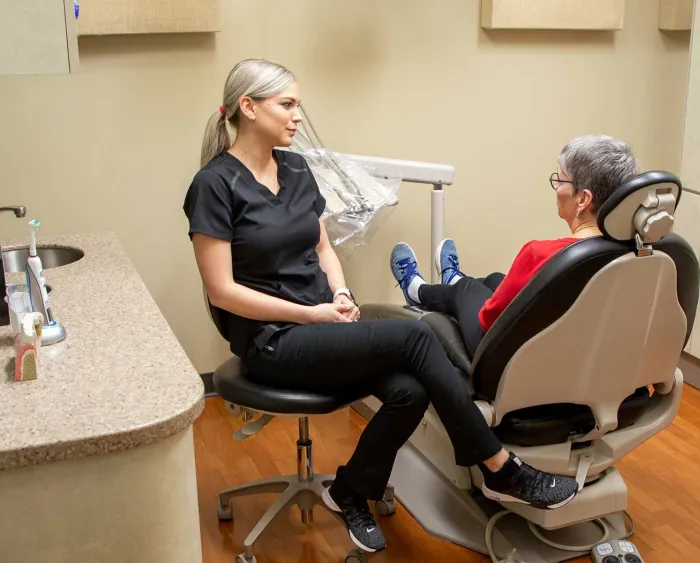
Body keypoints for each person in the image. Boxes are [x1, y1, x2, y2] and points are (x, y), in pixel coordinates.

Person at [182, 59, 578, 555]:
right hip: (273, 340)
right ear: (248, 107)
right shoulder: (214, 185)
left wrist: (341, 295)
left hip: (322, 324)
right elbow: (221, 291)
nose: (297, 116)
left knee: (409, 391)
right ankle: (498, 467)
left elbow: (322, 248)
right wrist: (311, 314)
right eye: (287, 105)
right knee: (413, 335)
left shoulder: (297, 169)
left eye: (297, 105)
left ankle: (350, 491)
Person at [390, 134, 639, 358]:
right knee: (497, 279)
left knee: (467, 289)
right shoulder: (635, 254)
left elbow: (488, 320)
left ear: (583, 199)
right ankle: (453, 279)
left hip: (513, 363)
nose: (556, 189)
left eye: (559, 181)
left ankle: (417, 291)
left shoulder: (540, 254)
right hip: (580, 354)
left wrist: (469, 295)